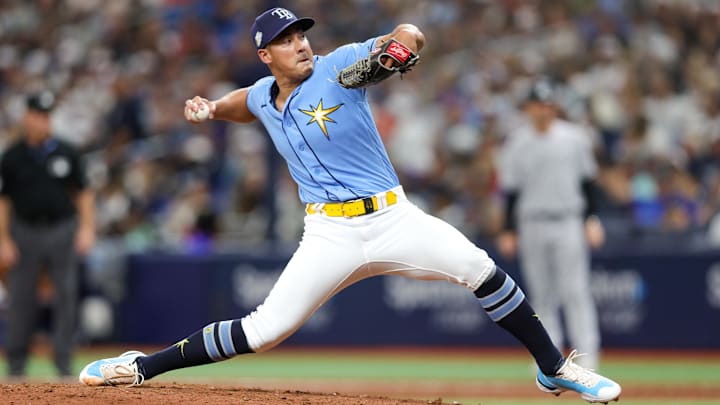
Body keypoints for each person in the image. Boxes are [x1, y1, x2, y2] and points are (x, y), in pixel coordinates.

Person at [79, 8, 621, 403]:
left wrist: (404, 44)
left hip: (392, 219)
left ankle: (553, 367)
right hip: (328, 236)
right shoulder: (266, 95)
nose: (301, 45)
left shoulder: (340, 70)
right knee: (264, 330)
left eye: (301, 34)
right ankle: (141, 367)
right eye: (287, 40)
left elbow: (404, 35)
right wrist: (211, 109)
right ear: (266, 55)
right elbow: (245, 103)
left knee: (481, 269)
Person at [496, 77, 605, 369]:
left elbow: (589, 183)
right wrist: (508, 229)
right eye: (538, 105)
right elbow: (511, 192)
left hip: (568, 219)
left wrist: (592, 219)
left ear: (554, 107)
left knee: (575, 290)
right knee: (541, 293)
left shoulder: (574, 138)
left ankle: (588, 356)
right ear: (528, 108)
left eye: (548, 104)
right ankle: (549, 357)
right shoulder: (517, 142)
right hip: (531, 222)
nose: (543, 110)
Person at [0, 90, 96, 377]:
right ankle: (16, 365)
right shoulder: (13, 156)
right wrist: (3, 238)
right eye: (39, 116)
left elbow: (84, 193)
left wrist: (87, 228)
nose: (44, 122)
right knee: (21, 298)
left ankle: (64, 363)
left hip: (61, 229)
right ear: (28, 117)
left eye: (48, 116)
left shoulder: (67, 152)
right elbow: (4, 200)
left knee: (66, 296)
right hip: (24, 231)